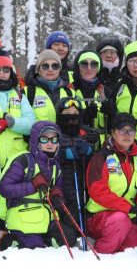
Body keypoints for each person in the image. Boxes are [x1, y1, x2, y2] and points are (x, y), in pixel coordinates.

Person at [0, 121, 77, 249]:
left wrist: (58, 196)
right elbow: (4, 189)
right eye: (45, 139)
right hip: (23, 216)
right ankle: (7, 239)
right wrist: (32, 185)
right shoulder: (24, 161)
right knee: (34, 247)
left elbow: (58, 188)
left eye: (54, 139)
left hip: (47, 218)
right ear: (36, 141)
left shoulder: (55, 166)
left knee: (69, 238)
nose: (50, 143)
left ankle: (42, 240)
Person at [85, 114, 137, 254]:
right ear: (113, 132)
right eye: (122, 130)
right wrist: (128, 208)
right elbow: (97, 191)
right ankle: (101, 256)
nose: (127, 134)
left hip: (127, 215)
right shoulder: (102, 157)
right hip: (99, 216)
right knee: (120, 220)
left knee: (136, 247)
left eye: (131, 130)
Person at [55, 98, 98, 236]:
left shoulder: (87, 133)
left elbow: (100, 160)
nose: (72, 116)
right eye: (67, 112)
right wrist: (62, 154)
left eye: (75, 112)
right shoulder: (55, 131)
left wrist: (90, 152)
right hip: (64, 181)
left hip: (83, 182)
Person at [71, 50, 115, 142]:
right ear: (78, 67)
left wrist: (111, 114)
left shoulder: (106, 91)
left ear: (98, 68)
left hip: (102, 147)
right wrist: (84, 115)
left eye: (94, 64)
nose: (89, 68)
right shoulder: (70, 89)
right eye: (84, 64)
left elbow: (116, 125)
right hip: (78, 145)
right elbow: (64, 122)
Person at [23, 49, 70, 124]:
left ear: (59, 69)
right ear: (38, 70)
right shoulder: (27, 92)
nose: (50, 69)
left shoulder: (70, 93)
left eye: (55, 66)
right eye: (45, 66)